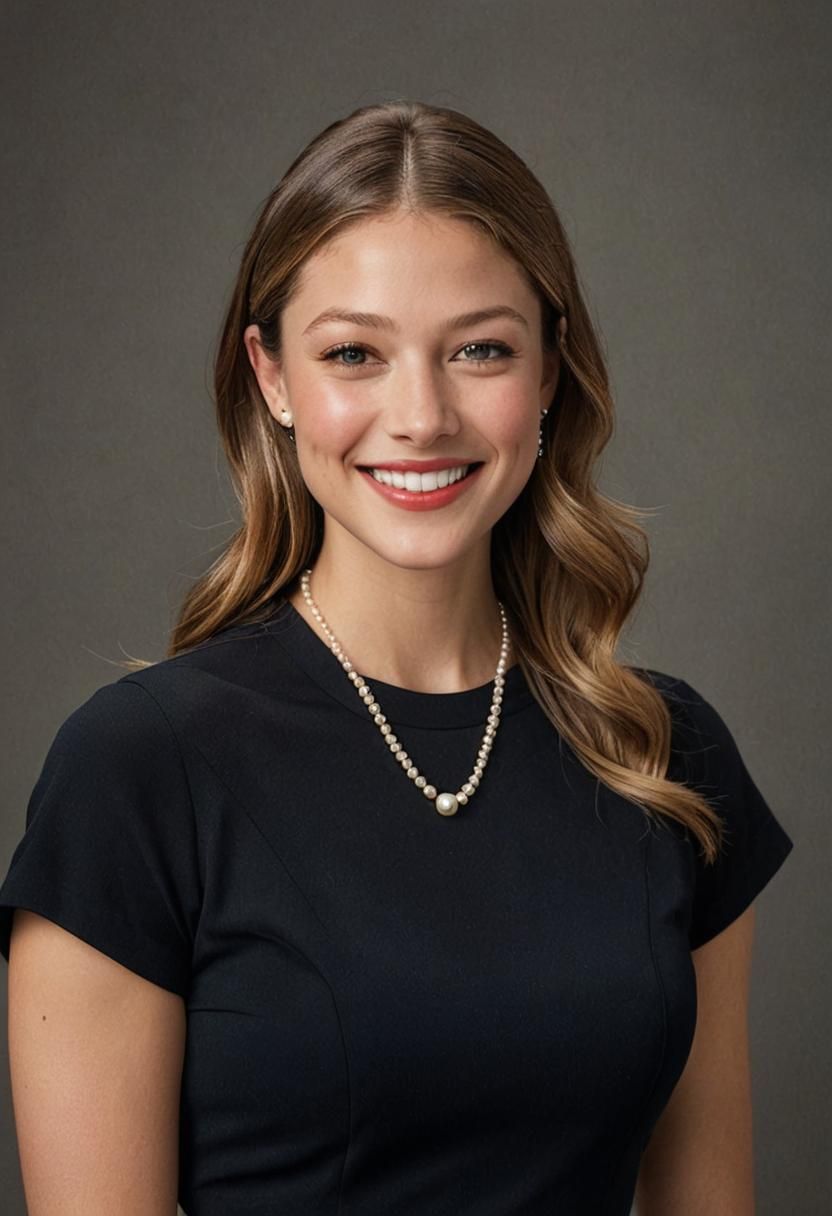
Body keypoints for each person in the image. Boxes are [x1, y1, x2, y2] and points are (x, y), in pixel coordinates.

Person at [0, 99, 793, 1215]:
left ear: (552, 370)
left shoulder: (663, 754)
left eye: (479, 349)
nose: (419, 415)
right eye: (353, 354)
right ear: (271, 377)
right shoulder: (136, 774)